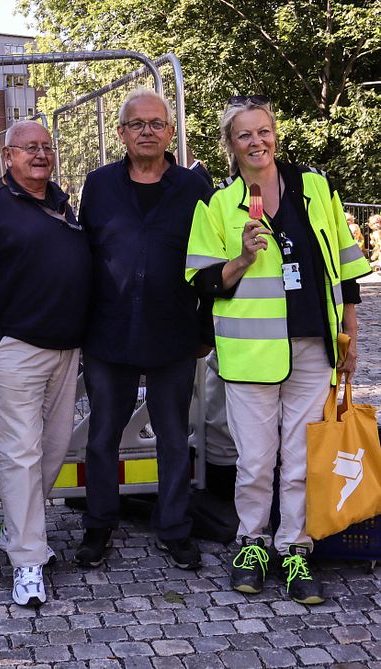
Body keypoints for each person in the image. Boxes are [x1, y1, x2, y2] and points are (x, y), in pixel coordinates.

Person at [185, 95, 370, 604]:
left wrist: (349, 337)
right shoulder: (219, 204)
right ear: (231, 145)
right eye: (245, 134)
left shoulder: (315, 187)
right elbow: (203, 282)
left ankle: (295, 546)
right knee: (256, 460)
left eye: (264, 130)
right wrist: (242, 258)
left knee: (300, 459)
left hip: (314, 347)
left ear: (275, 134)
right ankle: (252, 542)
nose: (257, 141)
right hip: (251, 355)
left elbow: (347, 268)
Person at [0, 120, 91, 606]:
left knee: (52, 449)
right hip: (16, 349)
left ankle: (18, 535)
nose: (41, 155)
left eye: (47, 147)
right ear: (7, 156)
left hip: (66, 349)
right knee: (20, 453)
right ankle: (28, 560)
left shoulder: (62, 203)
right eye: (29, 148)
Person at [74, 88, 212, 571]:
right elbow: (83, 256)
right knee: (101, 436)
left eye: (156, 123)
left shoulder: (196, 189)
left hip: (174, 331)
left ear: (171, 132)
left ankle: (175, 528)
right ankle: (98, 526)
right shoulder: (99, 185)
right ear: (121, 133)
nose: (147, 131)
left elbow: (210, 264)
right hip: (108, 334)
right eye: (137, 124)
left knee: (174, 436)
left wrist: (205, 331)